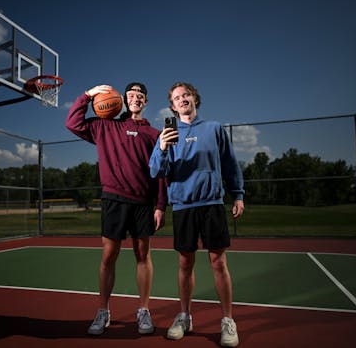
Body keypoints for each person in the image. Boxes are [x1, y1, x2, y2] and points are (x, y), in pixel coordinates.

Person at [65, 82, 167, 336]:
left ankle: (143, 310)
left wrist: (161, 205)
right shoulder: (104, 126)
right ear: (122, 99)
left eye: (140, 96)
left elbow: (162, 173)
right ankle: (103, 310)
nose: (135, 98)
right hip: (114, 199)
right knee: (108, 256)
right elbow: (73, 123)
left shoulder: (154, 134)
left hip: (143, 202)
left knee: (143, 255)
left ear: (145, 102)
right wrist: (88, 95)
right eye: (131, 95)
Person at [149, 82, 244, 347]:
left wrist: (238, 193)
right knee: (185, 263)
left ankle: (228, 320)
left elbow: (230, 163)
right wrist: (164, 147)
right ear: (172, 106)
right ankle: (185, 316)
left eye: (186, 95)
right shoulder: (166, 134)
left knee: (218, 262)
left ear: (194, 99)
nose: (182, 99)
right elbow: (156, 171)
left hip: (212, 203)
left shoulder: (214, 128)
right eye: (176, 97)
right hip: (182, 206)